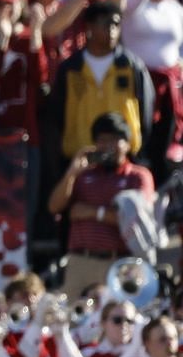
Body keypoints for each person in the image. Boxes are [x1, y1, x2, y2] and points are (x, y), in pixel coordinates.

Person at [47, 115, 155, 293]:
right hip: (80, 261)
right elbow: (54, 207)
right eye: (102, 140)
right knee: (75, 318)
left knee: (115, 318)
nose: (107, 146)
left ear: (127, 144)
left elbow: (137, 220)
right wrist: (71, 173)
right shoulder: (83, 175)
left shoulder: (137, 176)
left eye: (114, 140)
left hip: (118, 262)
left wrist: (93, 213)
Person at [44, 0, 156, 160]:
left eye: (116, 25)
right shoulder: (71, 68)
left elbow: (146, 111)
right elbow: (57, 115)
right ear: (89, 27)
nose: (111, 30)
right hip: (80, 156)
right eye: (105, 23)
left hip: (122, 157)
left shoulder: (131, 66)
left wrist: (134, 146)